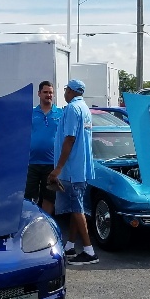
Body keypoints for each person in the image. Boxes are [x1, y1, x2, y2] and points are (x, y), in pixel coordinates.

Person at [49, 79, 97, 265]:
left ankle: (89, 251)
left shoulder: (71, 109)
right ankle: (70, 245)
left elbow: (69, 139)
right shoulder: (85, 108)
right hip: (81, 168)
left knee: (77, 209)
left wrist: (58, 168)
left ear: (70, 91)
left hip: (72, 169)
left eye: (66, 90)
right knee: (75, 207)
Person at [25, 80, 62, 214]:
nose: (48, 95)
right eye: (45, 92)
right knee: (28, 198)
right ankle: (30, 222)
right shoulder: (31, 113)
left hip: (51, 164)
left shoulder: (60, 113)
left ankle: (45, 223)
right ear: (39, 94)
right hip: (32, 163)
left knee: (49, 197)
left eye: (51, 92)